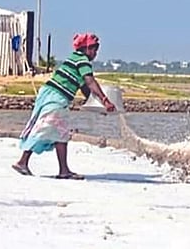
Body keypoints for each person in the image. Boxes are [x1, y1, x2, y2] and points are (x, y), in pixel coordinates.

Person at [12, 32, 115, 179]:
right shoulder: (82, 60)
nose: (95, 53)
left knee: (59, 132)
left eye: (96, 49)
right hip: (56, 97)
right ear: (85, 49)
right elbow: (90, 82)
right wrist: (105, 100)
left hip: (52, 95)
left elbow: (85, 89)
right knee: (46, 129)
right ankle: (25, 162)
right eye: (93, 49)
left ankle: (60, 170)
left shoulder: (74, 59)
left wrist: (99, 107)